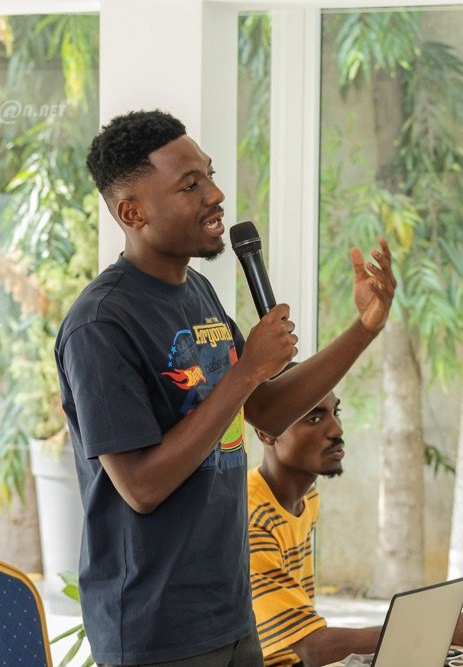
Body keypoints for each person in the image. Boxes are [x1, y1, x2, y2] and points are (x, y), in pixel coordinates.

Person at [55, 109, 396, 667]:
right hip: (156, 627)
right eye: (189, 185)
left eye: (209, 176)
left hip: (230, 611)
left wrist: (364, 329)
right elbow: (141, 486)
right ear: (133, 212)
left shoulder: (198, 294)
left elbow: (266, 411)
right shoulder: (101, 325)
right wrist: (246, 370)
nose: (215, 195)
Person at [248, 382, 463, 667]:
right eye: (314, 419)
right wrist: (442, 630)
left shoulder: (306, 499)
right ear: (266, 433)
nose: (337, 430)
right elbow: (313, 648)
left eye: (336, 413)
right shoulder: (252, 520)